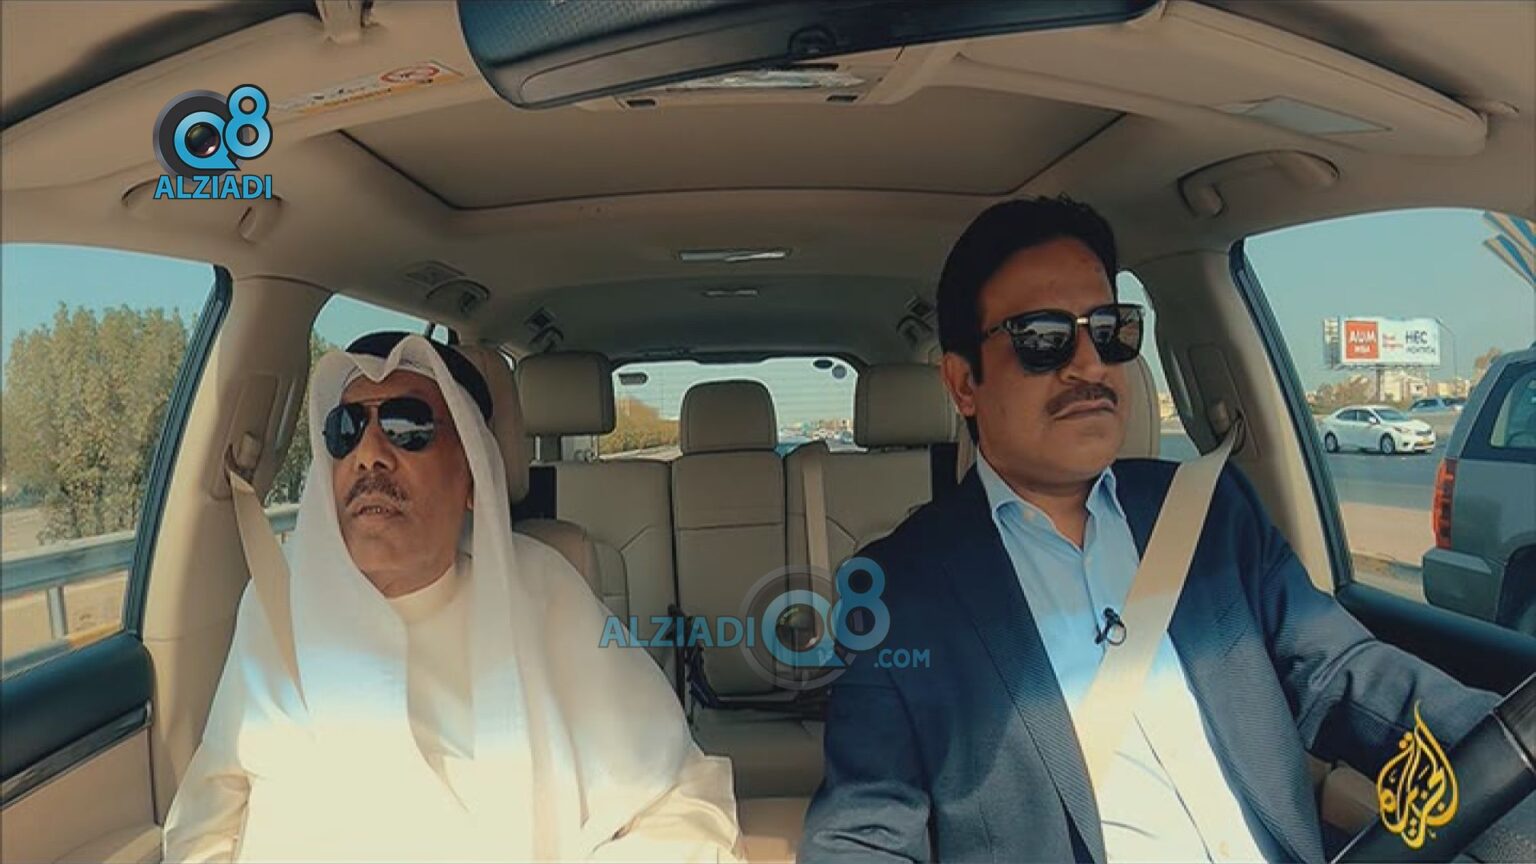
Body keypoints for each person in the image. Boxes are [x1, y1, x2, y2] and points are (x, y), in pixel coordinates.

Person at [799, 198, 1495, 862]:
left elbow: (1347, 676)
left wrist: (1504, 747)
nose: (1090, 364)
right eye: (1042, 338)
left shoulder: (1208, 512)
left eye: (1111, 330)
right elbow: (865, 830)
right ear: (963, 384)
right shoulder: (898, 589)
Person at [165, 332, 741, 862]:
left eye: (407, 425)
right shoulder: (274, 606)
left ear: (473, 476)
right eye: (346, 429)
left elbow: (681, 801)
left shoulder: (545, 592)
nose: (369, 454)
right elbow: (206, 827)